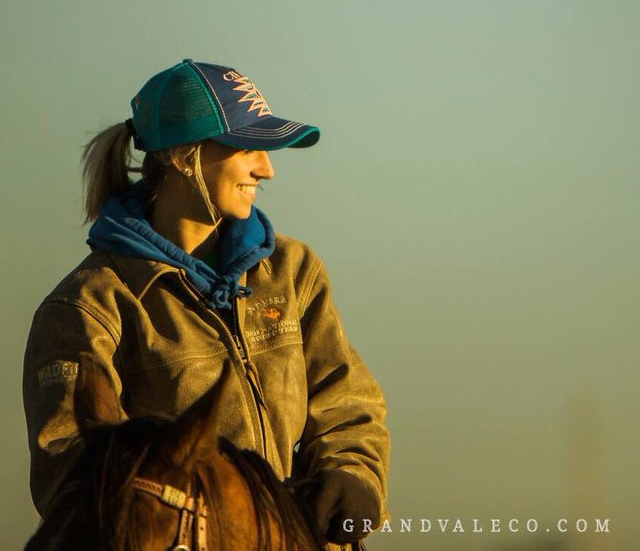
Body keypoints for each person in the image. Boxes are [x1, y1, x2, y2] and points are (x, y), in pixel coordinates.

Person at [22, 59, 389, 547]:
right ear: (182, 157)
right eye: (247, 148)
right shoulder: (88, 305)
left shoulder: (293, 271)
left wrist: (353, 474)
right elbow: (67, 468)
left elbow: (346, 402)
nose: (268, 169)